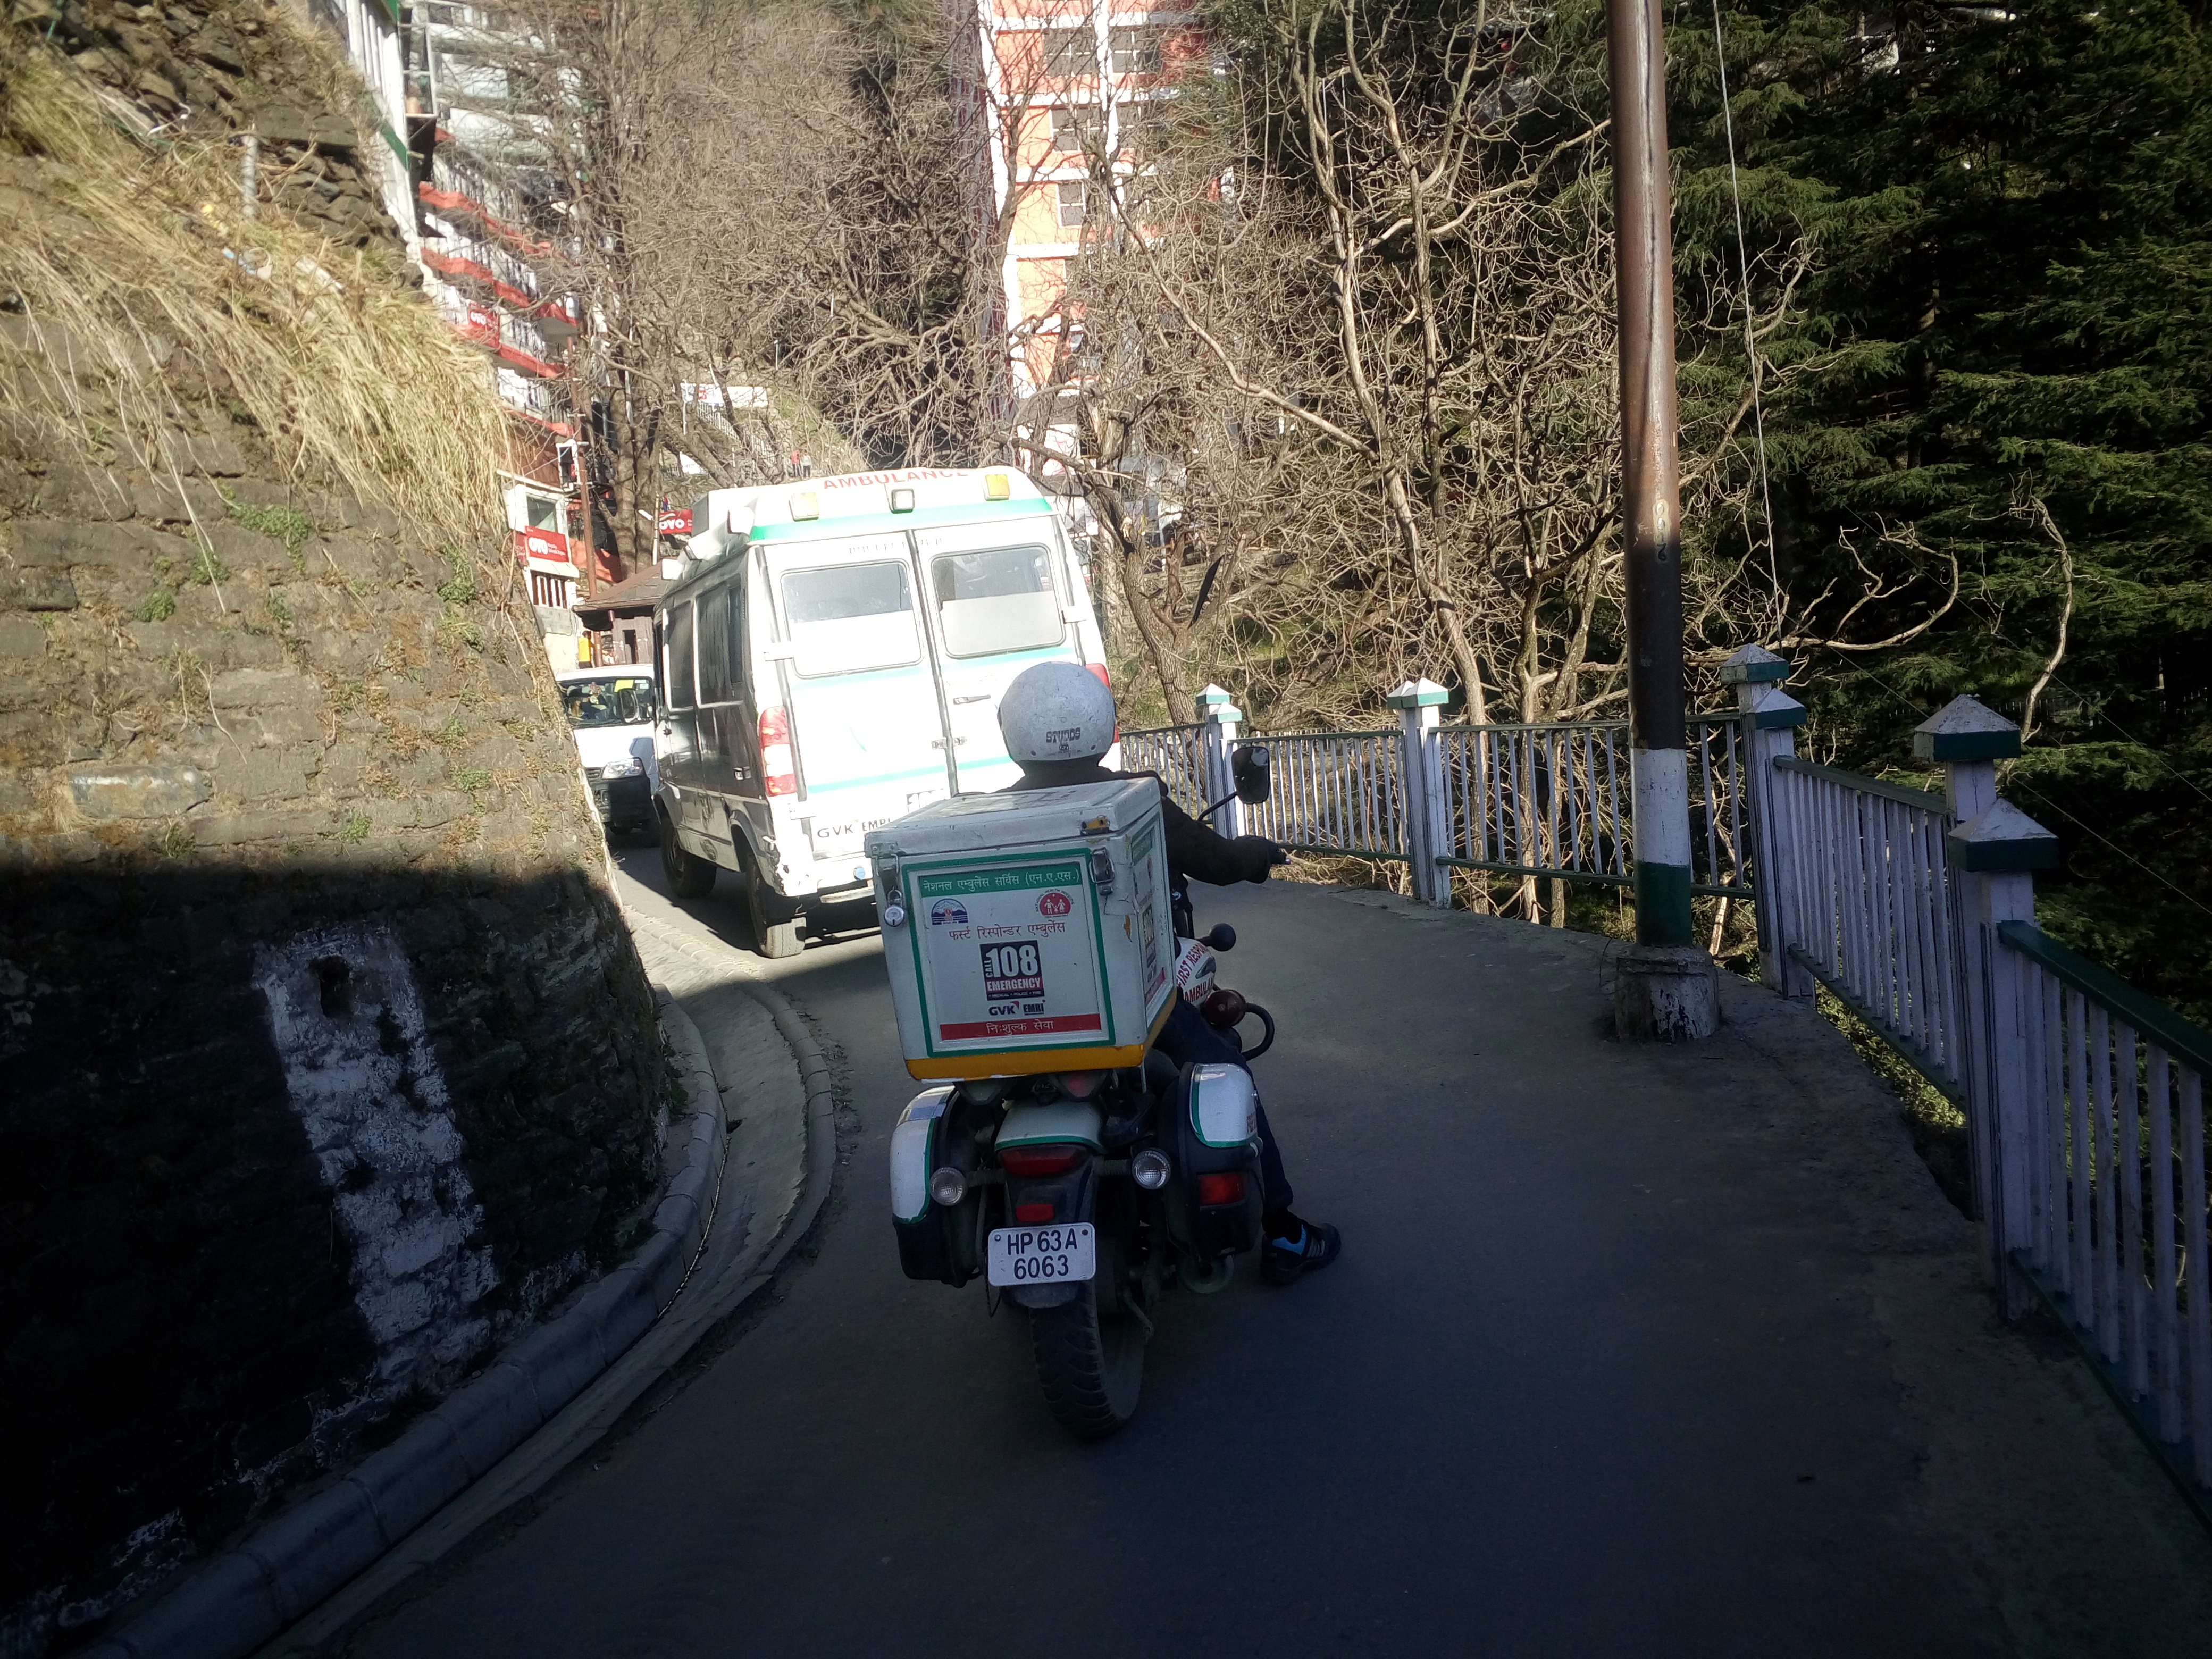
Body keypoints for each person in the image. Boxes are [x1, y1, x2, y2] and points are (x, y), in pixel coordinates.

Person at [996, 660, 1342, 1287]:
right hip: (1132, 1006)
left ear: (1011, 733)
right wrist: (1258, 856)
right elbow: (1213, 860)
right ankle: (1283, 1232)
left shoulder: (990, 820)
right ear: (1101, 727)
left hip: (1011, 1017)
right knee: (1226, 1069)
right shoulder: (1134, 798)